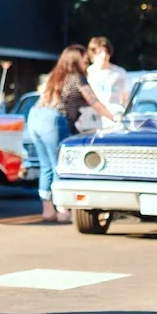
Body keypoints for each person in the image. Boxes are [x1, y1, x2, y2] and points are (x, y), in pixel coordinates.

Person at [27, 44, 115, 223]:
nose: (86, 64)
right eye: (84, 61)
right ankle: (63, 210)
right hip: (53, 119)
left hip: (35, 117)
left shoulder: (55, 76)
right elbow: (94, 103)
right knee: (61, 164)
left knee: (46, 166)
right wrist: (115, 119)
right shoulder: (77, 78)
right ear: (75, 61)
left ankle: (47, 210)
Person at [86, 36, 129, 110]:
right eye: (99, 52)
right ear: (92, 54)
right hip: (93, 117)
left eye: (106, 52)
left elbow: (126, 97)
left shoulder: (120, 73)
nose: (104, 55)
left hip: (114, 115)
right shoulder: (88, 72)